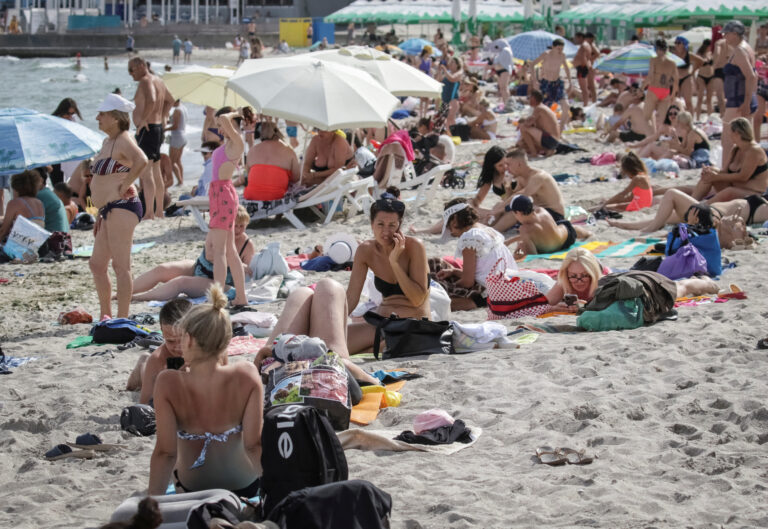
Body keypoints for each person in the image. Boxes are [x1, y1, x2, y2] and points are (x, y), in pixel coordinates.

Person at [148, 285, 263, 496]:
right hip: (245, 486)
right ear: (226, 341)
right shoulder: (246, 374)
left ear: (190, 339)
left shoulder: (168, 383)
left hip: (193, 489)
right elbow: (254, 445)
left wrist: (153, 502)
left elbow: (166, 454)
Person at [88, 93, 148, 319]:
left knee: (121, 266)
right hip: (108, 210)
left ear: (115, 117)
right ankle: (106, 315)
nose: (97, 118)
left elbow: (142, 160)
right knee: (96, 264)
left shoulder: (124, 139)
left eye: (102, 114)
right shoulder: (107, 142)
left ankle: (122, 318)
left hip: (123, 205)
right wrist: (99, 213)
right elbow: (101, 181)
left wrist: (126, 183)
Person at [132, 206, 255, 301]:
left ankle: (137, 298)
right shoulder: (217, 231)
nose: (238, 230)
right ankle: (126, 291)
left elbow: (247, 274)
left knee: (181, 282)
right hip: (199, 266)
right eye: (235, 226)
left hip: (218, 282)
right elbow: (210, 256)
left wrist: (238, 265)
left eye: (242, 226)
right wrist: (235, 262)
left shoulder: (247, 245)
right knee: (162, 269)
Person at [543, 247, 718, 309]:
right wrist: (555, 307)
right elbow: (543, 304)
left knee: (680, 288)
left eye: (584, 276)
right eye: (573, 276)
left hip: (640, 287)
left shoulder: (605, 283)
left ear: (593, 274)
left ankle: (706, 283)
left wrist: (583, 307)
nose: (578, 281)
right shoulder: (564, 282)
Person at [432, 200, 517, 311]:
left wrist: (452, 284)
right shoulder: (487, 230)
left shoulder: (469, 237)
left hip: (493, 292)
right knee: (438, 268)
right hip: (510, 283)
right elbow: (485, 270)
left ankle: (474, 302)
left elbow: (467, 282)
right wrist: (454, 272)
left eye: (449, 226)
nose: (451, 232)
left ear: (454, 221)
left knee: (435, 287)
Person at [207, 107, 251, 308]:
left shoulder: (237, 142)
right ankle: (241, 297)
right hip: (221, 193)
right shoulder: (230, 144)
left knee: (220, 251)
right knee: (230, 250)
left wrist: (235, 114)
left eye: (221, 125)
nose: (220, 129)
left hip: (222, 194)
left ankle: (217, 299)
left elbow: (225, 118)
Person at [608, 188, 768, 234]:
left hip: (711, 215)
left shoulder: (762, 210)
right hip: (709, 211)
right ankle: (625, 225)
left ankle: (648, 230)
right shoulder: (761, 203)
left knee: (671, 194)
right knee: (663, 218)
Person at [129, 57, 174, 220]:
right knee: (155, 169)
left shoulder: (146, 81)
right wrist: (164, 116)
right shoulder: (158, 80)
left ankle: (149, 212)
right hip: (157, 128)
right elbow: (170, 100)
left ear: (141, 66)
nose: (130, 74)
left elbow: (152, 99)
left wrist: (142, 119)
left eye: (132, 69)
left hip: (148, 130)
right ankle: (159, 210)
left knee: (146, 172)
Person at [126, 297, 192, 404]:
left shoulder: (206, 350)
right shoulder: (158, 359)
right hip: (156, 370)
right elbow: (145, 403)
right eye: (170, 341)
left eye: (182, 340)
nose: (178, 347)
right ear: (162, 331)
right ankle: (143, 363)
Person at [692, 117, 767, 202]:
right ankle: (692, 202)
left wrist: (716, 177)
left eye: (730, 131)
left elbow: (743, 177)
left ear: (737, 133)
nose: (729, 135)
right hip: (734, 187)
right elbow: (725, 172)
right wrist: (710, 171)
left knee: (729, 192)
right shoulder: (736, 149)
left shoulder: (754, 151)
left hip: (753, 193)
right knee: (710, 173)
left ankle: (701, 208)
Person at [720, 20, 758, 170]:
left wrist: (746, 102)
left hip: (738, 101)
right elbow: (753, 75)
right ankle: (746, 171)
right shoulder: (747, 48)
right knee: (745, 142)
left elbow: (751, 76)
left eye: (726, 33)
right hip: (744, 99)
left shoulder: (740, 51)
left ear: (735, 34)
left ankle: (725, 174)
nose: (724, 37)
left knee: (727, 141)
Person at [504, 195, 583, 258]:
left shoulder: (524, 229)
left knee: (522, 245)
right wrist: (510, 241)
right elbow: (539, 231)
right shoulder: (542, 211)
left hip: (550, 250)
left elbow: (532, 255)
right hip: (567, 239)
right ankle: (587, 234)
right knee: (562, 226)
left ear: (518, 213)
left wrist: (519, 252)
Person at [244, 122, 300, 201]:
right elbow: (296, 178)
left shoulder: (252, 150)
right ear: (278, 133)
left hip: (251, 196)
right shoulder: (288, 150)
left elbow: (247, 174)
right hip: (277, 197)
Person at [635, 110, 710, 166]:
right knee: (665, 150)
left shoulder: (692, 133)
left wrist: (675, 146)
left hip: (699, 156)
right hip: (695, 155)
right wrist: (675, 141)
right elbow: (683, 147)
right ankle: (639, 163)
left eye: (678, 122)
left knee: (670, 152)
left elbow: (687, 152)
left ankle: (654, 166)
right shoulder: (688, 131)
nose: (677, 124)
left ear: (682, 123)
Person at [531, 38, 571, 130]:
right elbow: (532, 65)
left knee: (566, 106)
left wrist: (570, 82)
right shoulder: (546, 54)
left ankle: (560, 130)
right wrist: (534, 81)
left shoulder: (562, 56)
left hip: (557, 83)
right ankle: (538, 126)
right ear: (553, 47)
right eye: (558, 48)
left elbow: (566, 68)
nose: (560, 50)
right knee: (543, 108)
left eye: (562, 49)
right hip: (546, 83)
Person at [642, 39, 678, 131]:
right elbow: (676, 80)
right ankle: (659, 136)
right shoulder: (672, 63)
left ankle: (649, 134)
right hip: (665, 91)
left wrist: (641, 88)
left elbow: (650, 76)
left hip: (654, 89)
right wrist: (673, 94)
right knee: (663, 120)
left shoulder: (654, 60)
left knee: (646, 117)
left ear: (656, 49)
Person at [0, 171, 45, 243]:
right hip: (35, 245)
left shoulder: (15, 203)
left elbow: (4, 231)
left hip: (18, 246)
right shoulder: (39, 203)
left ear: (16, 186)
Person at [50, 98, 84, 186]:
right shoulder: (52, 121)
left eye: (72, 113)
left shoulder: (73, 121)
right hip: (55, 158)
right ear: (62, 111)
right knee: (58, 185)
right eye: (67, 114)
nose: (70, 116)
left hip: (69, 157)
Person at [518, 89, 561, 157]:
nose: (528, 100)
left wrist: (524, 121)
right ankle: (547, 150)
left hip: (551, 140)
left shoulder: (539, 108)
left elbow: (527, 124)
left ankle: (534, 152)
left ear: (533, 99)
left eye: (529, 98)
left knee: (523, 127)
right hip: (553, 141)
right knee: (522, 144)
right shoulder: (542, 107)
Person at [672, 36, 700, 116]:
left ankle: (691, 120)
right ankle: (677, 120)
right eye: (675, 43)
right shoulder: (672, 55)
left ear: (684, 44)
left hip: (686, 78)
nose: (676, 45)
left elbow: (701, 61)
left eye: (678, 43)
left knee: (688, 102)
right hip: (676, 79)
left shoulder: (689, 55)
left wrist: (693, 71)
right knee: (675, 101)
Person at [165, 99, 187, 187]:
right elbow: (175, 122)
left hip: (177, 137)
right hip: (183, 136)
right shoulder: (183, 108)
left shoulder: (177, 110)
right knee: (177, 160)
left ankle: (179, 181)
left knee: (171, 162)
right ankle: (181, 181)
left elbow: (175, 126)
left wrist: (163, 129)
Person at [438, 56, 464, 127]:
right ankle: (447, 132)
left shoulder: (459, 72)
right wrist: (440, 71)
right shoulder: (448, 73)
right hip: (444, 98)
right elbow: (440, 80)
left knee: (450, 118)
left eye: (452, 62)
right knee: (444, 118)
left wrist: (445, 70)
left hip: (452, 99)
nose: (450, 64)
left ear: (457, 64)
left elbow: (452, 79)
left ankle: (453, 132)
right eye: (450, 62)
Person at [695, 39, 716, 119]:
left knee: (709, 99)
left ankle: (710, 118)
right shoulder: (699, 54)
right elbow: (696, 66)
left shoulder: (711, 54)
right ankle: (697, 118)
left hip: (711, 77)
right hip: (701, 76)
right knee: (700, 98)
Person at [490, 39, 513, 112]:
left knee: (504, 87)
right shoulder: (499, 52)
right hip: (500, 71)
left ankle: (508, 104)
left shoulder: (506, 51)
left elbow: (503, 63)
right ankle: (505, 103)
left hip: (504, 70)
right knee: (502, 88)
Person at [572, 32, 593, 104]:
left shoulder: (583, 46)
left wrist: (581, 65)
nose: (575, 40)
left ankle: (585, 104)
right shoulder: (587, 45)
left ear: (580, 37)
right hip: (583, 67)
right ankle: (586, 103)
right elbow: (588, 57)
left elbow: (583, 58)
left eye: (576, 38)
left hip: (582, 68)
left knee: (583, 88)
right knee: (584, 88)